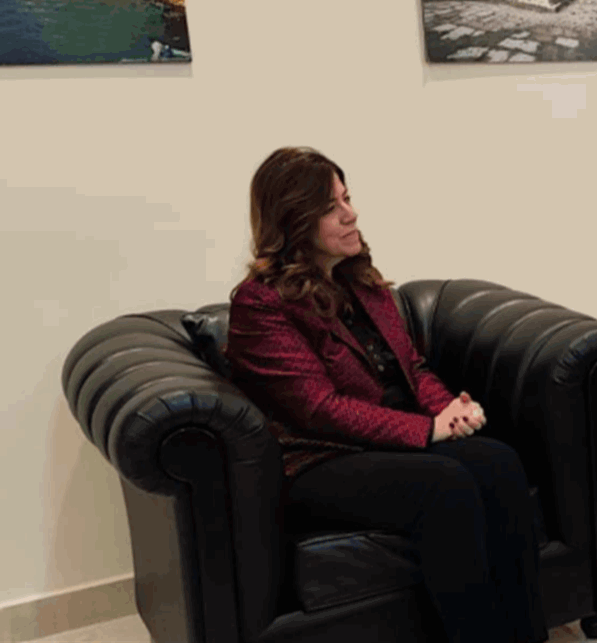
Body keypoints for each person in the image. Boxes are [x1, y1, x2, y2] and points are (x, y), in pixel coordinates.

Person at [225, 146, 547, 643]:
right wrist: (428, 430)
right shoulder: (260, 304)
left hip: (388, 438)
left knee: (499, 462)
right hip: (320, 459)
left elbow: (411, 367)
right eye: (331, 207)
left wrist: (447, 409)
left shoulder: (359, 278)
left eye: (347, 197)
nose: (351, 214)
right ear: (294, 221)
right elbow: (319, 409)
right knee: (444, 485)